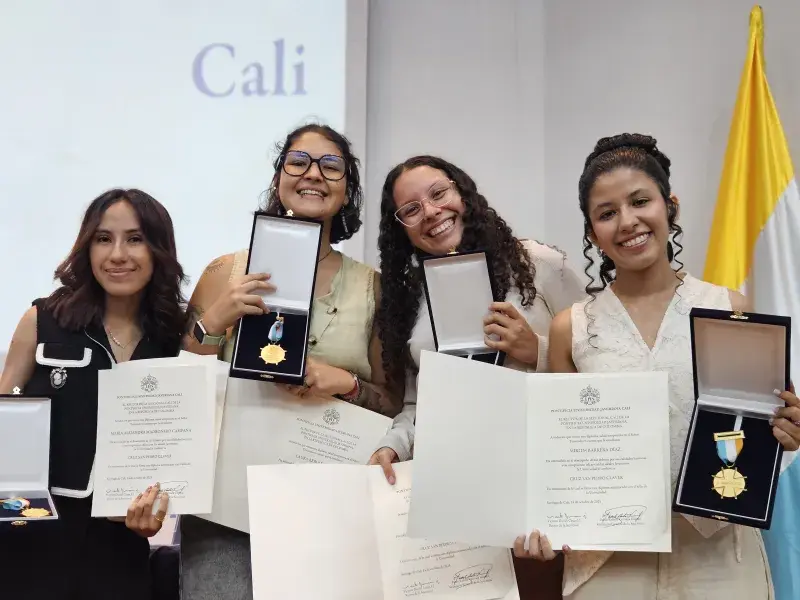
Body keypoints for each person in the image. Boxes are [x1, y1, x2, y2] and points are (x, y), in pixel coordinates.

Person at [515, 133, 800, 599]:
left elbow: (761, 430)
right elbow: (560, 453)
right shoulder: (573, 327)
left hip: (717, 553)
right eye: (607, 214)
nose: (627, 222)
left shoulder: (728, 307)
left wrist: (788, 429)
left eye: (640, 201)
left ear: (670, 206)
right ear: (592, 233)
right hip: (607, 563)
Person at [180, 123, 397, 600]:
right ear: (279, 177)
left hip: (330, 508)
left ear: (348, 191)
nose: (312, 174)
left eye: (331, 165)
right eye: (297, 161)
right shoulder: (226, 271)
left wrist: (346, 383)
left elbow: (393, 405)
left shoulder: (372, 288)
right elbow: (180, 388)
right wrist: (213, 321)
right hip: (228, 511)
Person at [369, 155, 586, 600]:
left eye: (438, 193)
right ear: (401, 227)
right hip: (461, 486)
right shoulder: (408, 298)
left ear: (462, 193)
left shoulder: (538, 264)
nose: (430, 212)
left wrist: (537, 351)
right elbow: (417, 405)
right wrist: (395, 443)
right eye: (410, 209)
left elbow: (601, 363)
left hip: (544, 476)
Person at [0, 189, 187, 598]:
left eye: (135, 239)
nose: (117, 254)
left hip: (119, 547)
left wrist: (155, 512)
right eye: (103, 239)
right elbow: (5, 421)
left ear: (159, 250)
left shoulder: (173, 341)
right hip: (28, 538)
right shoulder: (42, 320)